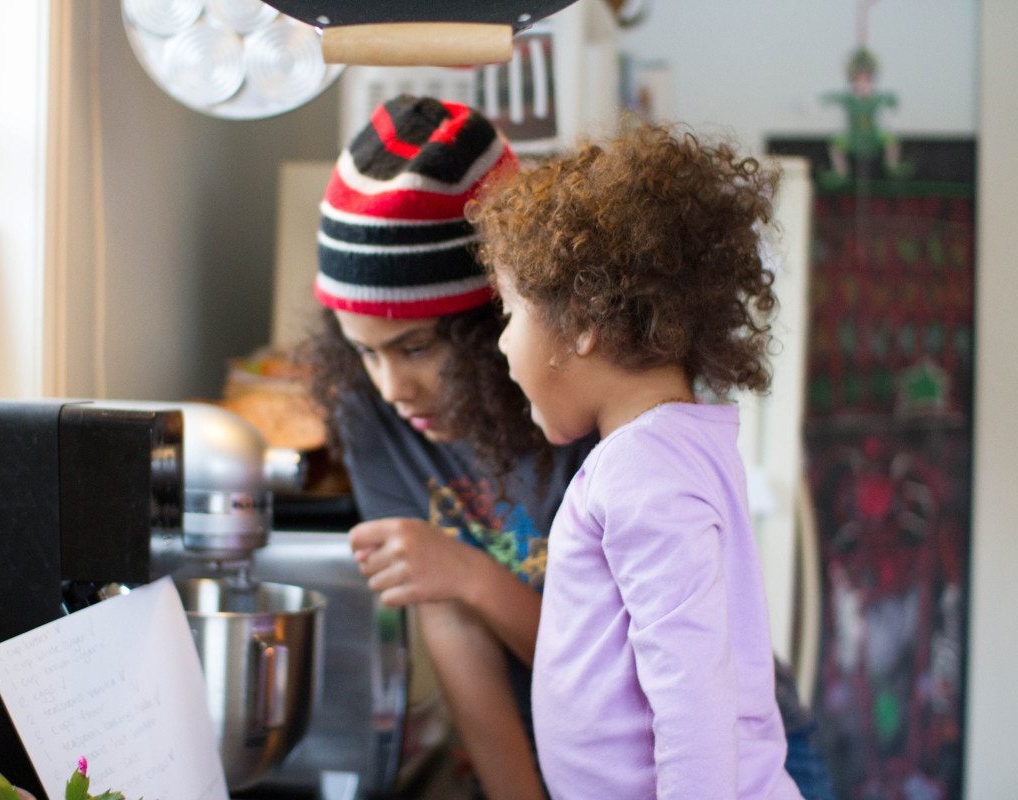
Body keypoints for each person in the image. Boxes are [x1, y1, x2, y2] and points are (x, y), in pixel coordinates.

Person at [300, 94, 833, 799]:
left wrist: (470, 575)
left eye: (418, 346)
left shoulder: (621, 441)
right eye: (362, 352)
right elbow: (452, 625)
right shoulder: (376, 416)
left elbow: (669, 689)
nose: (391, 386)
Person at [467, 121, 801, 798]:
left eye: (510, 313)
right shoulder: (682, 448)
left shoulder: (640, 470)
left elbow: (692, 694)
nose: (502, 346)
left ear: (583, 321)